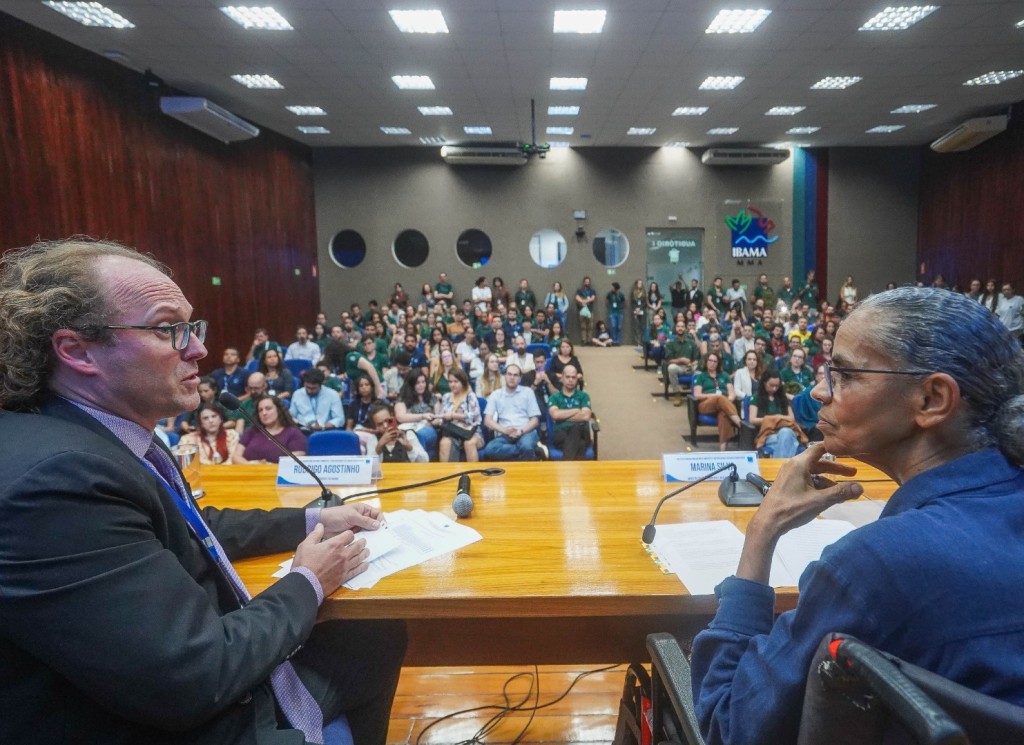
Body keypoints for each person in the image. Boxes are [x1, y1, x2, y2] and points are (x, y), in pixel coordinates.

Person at [0, 239, 405, 745]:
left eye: (193, 327)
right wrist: (308, 580)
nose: (198, 349)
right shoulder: (57, 482)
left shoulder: (98, 435)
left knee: (374, 636)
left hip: (172, 686)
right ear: (77, 350)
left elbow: (189, 524)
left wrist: (312, 519)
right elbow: (192, 677)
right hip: (173, 722)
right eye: (168, 329)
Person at [690, 286, 1024, 745]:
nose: (818, 390)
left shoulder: (872, 566)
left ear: (932, 399)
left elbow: (728, 727)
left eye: (845, 374)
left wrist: (762, 530)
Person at [482, 364, 542, 461]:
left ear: (520, 378)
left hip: (526, 432)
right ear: (505, 376)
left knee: (526, 446)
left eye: (515, 375)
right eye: (509, 374)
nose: (512, 377)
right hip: (505, 434)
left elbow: (535, 420)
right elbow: (487, 421)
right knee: (490, 449)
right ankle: (535, 452)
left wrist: (520, 431)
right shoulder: (496, 395)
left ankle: (528, 451)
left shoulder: (528, 392)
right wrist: (504, 430)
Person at [692, 351, 743, 451]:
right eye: (710, 361)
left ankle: (723, 450)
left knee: (723, 414)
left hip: (723, 404)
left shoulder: (725, 375)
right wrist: (713, 396)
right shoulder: (701, 376)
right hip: (706, 404)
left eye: (715, 361)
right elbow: (697, 395)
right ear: (706, 362)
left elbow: (732, 393)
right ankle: (739, 423)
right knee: (720, 398)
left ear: (718, 364)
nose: (712, 363)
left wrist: (727, 401)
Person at [234, 395, 306, 463]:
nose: (264, 413)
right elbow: (236, 457)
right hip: (250, 470)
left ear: (279, 410)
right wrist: (251, 465)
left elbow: (296, 461)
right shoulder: (251, 431)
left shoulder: (294, 433)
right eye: (260, 410)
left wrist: (269, 467)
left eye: (268, 409)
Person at [747, 370, 804, 458]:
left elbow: (791, 418)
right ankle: (784, 463)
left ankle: (779, 465)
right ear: (764, 383)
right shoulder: (756, 397)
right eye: (771, 385)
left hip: (786, 430)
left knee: (785, 433)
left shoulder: (783, 397)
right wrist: (774, 419)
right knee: (790, 443)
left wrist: (777, 418)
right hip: (768, 434)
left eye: (777, 386)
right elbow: (752, 419)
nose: (774, 389)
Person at [437, 367, 485, 462]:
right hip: (452, 432)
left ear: (462, 382)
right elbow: (442, 417)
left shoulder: (470, 396)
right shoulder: (446, 397)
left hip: (471, 432)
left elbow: (475, 418)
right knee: (444, 443)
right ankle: (447, 471)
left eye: (456, 381)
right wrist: (437, 418)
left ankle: (473, 471)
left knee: (469, 443)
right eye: (450, 382)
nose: (452, 384)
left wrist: (454, 415)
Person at [547, 364, 593, 460]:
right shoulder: (554, 397)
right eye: (567, 377)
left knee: (576, 428)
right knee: (580, 444)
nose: (571, 380)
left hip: (582, 433)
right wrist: (576, 410)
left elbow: (585, 417)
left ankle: (566, 464)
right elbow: (555, 415)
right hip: (561, 434)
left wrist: (562, 416)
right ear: (562, 378)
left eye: (573, 377)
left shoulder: (584, 396)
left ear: (577, 379)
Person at [394, 370, 441, 457]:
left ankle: (420, 460)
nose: (421, 385)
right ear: (411, 384)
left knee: (420, 435)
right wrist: (422, 416)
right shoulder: (402, 399)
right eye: (418, 383)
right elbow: (401, 417)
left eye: (423, 382)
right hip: (410, 429)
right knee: (411, 435)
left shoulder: (431, 397)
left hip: (428, 428)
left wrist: (433, 422)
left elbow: (439, 416)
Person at [290, 367, 345, 433]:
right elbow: (291, 415)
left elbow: (339, 419)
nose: (309, 391)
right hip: (302, 431)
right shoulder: (297, 394)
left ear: (321, 384)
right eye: (307, 387)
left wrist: (323, 427)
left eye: (313, 388)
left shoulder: (333, 394)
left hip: (325, 431)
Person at [664, 320, 700, 405]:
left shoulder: (691, 343)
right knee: (671, 368)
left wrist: (691, 364)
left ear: (685, 328)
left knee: (698, 368)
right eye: (678, 326)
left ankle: (696, 394)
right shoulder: (671, 343)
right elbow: (669, 360)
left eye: (682, 326)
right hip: (678, 367)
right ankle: (677, 394)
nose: (680, 328)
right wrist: (681, 360)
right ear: (675, 329)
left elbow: (696, 359)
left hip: (690, 367)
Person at [575, 276, 597, 344]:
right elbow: (577, 297)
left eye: (588, 282)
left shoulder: (592, 291)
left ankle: (589, 340)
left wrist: (586, 301)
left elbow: (593, 298)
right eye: (586, 281)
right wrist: (582, 301)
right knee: (583, 326)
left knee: (590, 326)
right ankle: (584, 340)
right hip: (582, 310)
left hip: (590, 310)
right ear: (583, 282)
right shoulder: (579, 290)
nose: (587, 283)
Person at [630, 278, 647, 345]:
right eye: (639, 283)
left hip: (642, 310)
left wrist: (640, 308)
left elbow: (645, 302)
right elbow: (632, 302)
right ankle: (637, 342)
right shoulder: (633, 292)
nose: (640, 284)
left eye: (641, 283)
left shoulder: (644, 292)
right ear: (636, 284)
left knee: (642, 326)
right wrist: (635, 308)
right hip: (635, 311)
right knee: (636, 326)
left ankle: (642, 341)